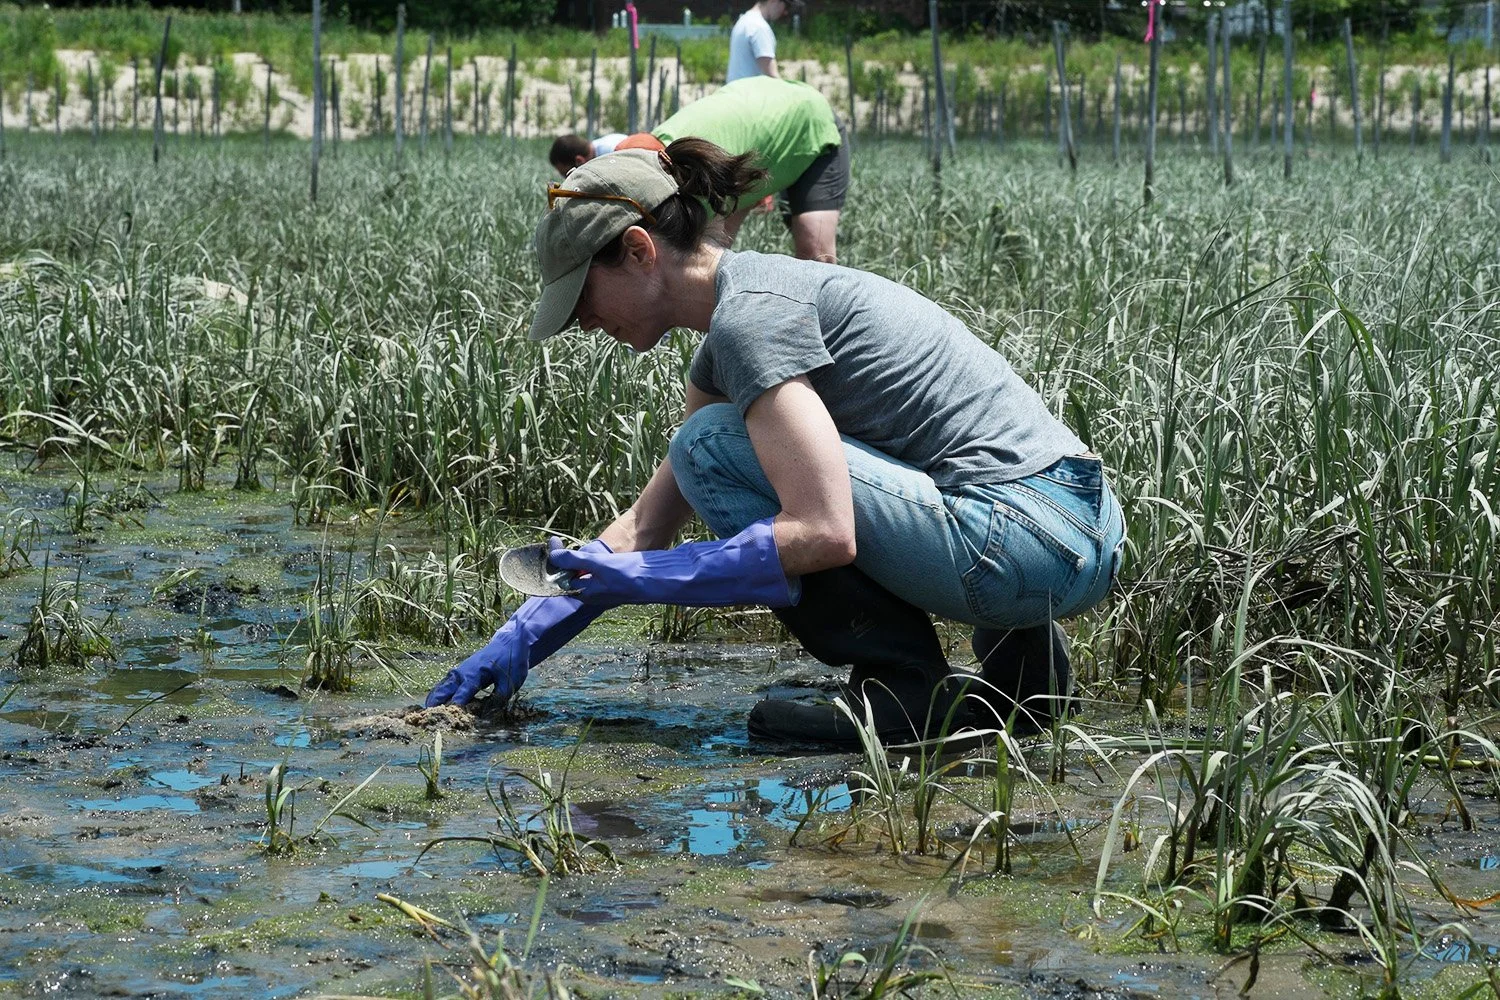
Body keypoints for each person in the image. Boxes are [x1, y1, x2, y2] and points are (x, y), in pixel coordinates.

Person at [425, 142, 1125, 747]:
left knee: (707, 447)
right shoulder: (746, 317)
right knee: (714, 446)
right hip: (1075, 528)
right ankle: (1026, 681)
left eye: (583, 298)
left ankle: (903, 689)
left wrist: (649, 581)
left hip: (1027, 540)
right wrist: (515, 642)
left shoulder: (751, 323)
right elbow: (644, 526)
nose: (581, 323)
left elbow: (823, 532)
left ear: (639, 251)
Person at [547, 77, 847, 263]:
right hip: (757, 113)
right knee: (710, 253)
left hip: (807, 120)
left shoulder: (694, 177)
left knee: (815, 254)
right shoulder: (667, 162)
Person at [727, 0, 799, 82]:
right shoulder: (759, 27)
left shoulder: (743, 21)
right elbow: (771, 75)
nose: (785, 12)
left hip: (736, 90)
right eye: (786, 5)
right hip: (750, 93)